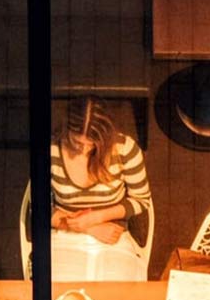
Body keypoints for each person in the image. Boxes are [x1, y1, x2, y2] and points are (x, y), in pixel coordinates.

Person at [48, 97, 152, 276]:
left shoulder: (124, 149)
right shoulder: (51, 150)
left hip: (112, 234)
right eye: (76, 142)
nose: (84, 150)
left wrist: (97, 217)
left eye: (92, 144)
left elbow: (141, 200)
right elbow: (38, 209)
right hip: (64, 234)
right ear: (67, 129)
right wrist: (85, 227)